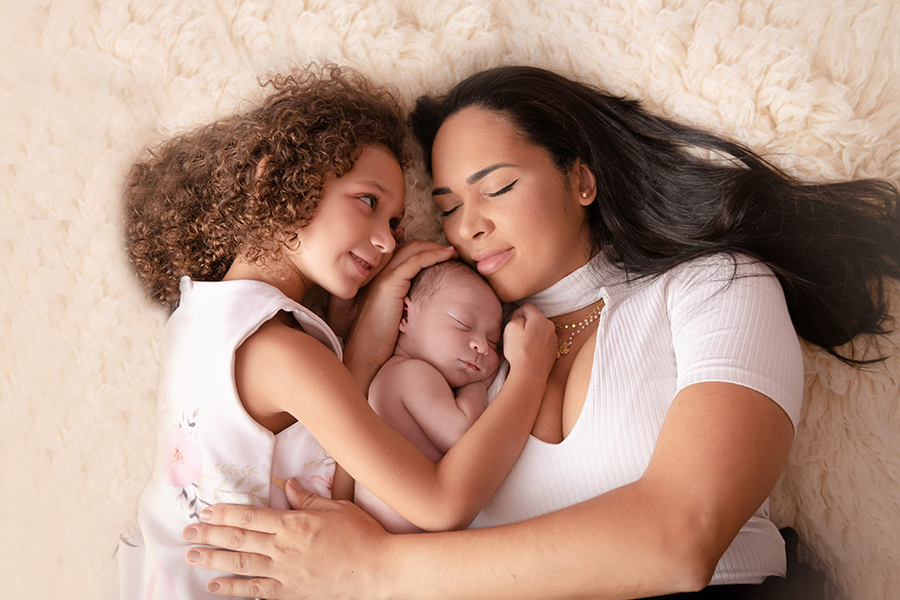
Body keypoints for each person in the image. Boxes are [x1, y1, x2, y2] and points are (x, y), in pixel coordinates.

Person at [182, 66, 900, 599]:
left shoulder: (714, 287)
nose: (470, 225)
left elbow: (678, 542)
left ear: (580, 180)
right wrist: (370, 343)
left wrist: (375, 572)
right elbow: (349, 501)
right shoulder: (453, 349)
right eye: (447, 207)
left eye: (496, 187)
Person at [117, 65, 557, 599]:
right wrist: (530, 373)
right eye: (368, 202)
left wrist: (357, 348)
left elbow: (322, 487)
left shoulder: (197, 312)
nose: (388, 242)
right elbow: (442, 502)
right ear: (275, 178)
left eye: (396, 223)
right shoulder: (286, 355)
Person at [355, 259, 503, 533]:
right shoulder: (410, 374)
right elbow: (463, 435)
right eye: (462, 324)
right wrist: (479, 386)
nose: (481, 346)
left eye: (494, 342)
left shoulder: (400, 375)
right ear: (406, 316)